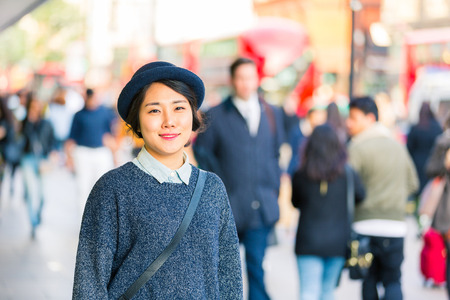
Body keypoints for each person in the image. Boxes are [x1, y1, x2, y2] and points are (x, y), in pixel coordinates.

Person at [72, 61, 243, 299]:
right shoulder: (112, 189)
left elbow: (229, 278)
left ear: (193, 116)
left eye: (179, 108)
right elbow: (89, 284)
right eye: (154, 110)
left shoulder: (212, 188)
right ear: (137, 121)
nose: (168, 121)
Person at [193, 57, 285, 300]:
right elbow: (202, 156)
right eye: (241, 78)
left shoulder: (272, 114)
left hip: (261, 207)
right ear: (232, 81)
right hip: (227, 208)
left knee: (256, 268)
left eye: (250, 78)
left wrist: (274, 190)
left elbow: (276, 155)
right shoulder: (215, 116)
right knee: (225, 273)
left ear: (257, 80)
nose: (246, 84)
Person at [346, 96, 419, 300]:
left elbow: (348, 187)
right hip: (395, 226)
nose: (348, 123)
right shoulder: (397, 147)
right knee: (393, 280)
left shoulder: (357, 148)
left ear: (370, 118)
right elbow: (413, 183)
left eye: (353, 117)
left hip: (364, 226)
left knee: (368, 279)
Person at [291, 124, 365, 300]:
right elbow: (361, 196)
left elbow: (295, 202)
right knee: (327, 291)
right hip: (338, 242)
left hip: (308, 241)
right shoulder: (347, 173)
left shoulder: (302, 174)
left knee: (308, 292)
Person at [65, 88, 118, 211]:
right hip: (83, 152)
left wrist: (115, 154)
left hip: (101, 152)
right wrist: (69, 158)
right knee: (83, 188)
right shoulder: (79, 115)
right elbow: (71, 138)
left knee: (103, 188)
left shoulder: (105, 112)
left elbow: (112, 133)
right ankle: (83, 223)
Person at [19, 92, 55, 238]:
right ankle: (33, 222)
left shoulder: (47, 123)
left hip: (42, 159)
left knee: (42, 194)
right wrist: (28, 122)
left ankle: (38, 215)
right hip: (27, 158)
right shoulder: (24, 122)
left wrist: (53, 153)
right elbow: (20, 139)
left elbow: (53, 141)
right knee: (30, 192)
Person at [425, 112, 450, 297]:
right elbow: (432, 169)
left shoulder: (442, 141)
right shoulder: (443, 143)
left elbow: (430, 169)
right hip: (445, 204)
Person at [407, 102, 443, 196]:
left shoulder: (416, 128)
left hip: (418, 163)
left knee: (419, 188)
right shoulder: (437, 128)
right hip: (432, 162)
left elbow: (409, 148)